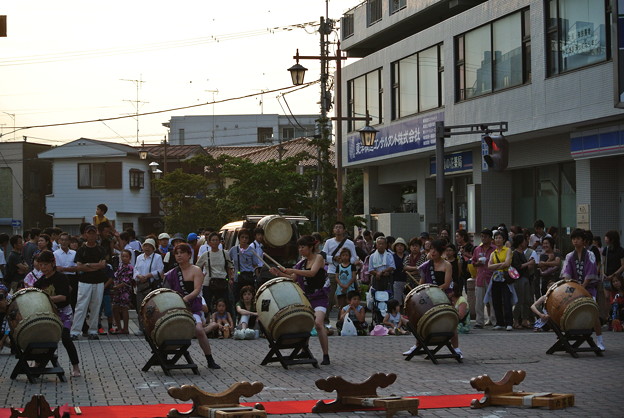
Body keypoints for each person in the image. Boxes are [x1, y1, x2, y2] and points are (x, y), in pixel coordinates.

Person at [270, 235, 331, 365]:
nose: (300, 249)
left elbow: (312, 273)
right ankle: (304, 349)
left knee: (318, 324)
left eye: (303, 247)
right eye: (299, 247)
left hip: (320, 297)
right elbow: (293, 278)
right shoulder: (301, 263)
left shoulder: (319, 258)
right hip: (307, 297)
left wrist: (293, 270)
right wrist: (279, 273)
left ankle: (326, 355)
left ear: (310, 247)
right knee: (304, 324)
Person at [163, 243, 221, 369]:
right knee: (165, 329)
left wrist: (186, 298)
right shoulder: (171, 273)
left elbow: (197, 290)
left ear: (189, 255)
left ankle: (209, 359)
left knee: (199, 330)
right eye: (177, 253)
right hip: (176, 309)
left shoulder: (196, 270)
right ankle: (164, 357)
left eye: (182, 253)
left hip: (192, 308)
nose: (179, 256)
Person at [31, 251, 81, 377]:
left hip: (64, 314)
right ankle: (38, 363)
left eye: (45, 264)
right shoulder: (40, 281)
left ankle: (76, 366)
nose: (43, 268)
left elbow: (63, 297)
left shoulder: (61, 278)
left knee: (65, 338)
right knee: (42, 339)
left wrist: (45, 298)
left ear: (53, 263)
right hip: (49, 314)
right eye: (40, 265)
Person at [562, 228, 605, 350]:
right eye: (573, 239)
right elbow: (566, 273)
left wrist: (583, 286)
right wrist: (572, 285)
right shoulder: (569, 256)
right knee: (568, 310)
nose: (575, 241)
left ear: (583, 241)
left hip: (588, 288)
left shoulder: (590, 254)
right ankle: (570, 338)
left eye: (578, 239)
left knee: (594, 313)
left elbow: (591, 272)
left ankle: (600, 340)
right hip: (574, 288)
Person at [70, 225, 108, 340]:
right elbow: (79, 267)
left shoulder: (101, 249)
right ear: (85, 234)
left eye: (93, 233)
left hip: (98, 281)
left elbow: (103, 265)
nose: (91, 235)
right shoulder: (81, 250)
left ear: (97, 234)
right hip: (84, 282)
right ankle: (75, 332)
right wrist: (94, 266)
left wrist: (88, 265)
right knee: (81, 306)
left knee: (96, 307)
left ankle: (93, 331)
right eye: (89, 233)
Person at [322, 221, 359, 321]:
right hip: (333, 271)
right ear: (333, 230)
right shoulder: (329, 242)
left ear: (344, 230)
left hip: (347, 273)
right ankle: (325, 318)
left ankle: (347, 318)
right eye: (336, 227)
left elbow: (354, 258)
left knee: (347, 297)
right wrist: (333, 258)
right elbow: (323, 255)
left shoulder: (349, 243)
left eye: (340, 227)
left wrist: (344, 260)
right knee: (330, 296)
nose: (338, 229)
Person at [132, 238, 164, 336]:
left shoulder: (157, 257)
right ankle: (141, 328)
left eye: (149, 246)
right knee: (140, 307)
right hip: (141, 286)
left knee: (152, 308)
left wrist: (148, 275)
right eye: (145, 246)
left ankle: (152, 328)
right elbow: (135, 269)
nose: (147, 248)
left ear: (153, 248)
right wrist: (138, 276)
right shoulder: (139, 257)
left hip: (151, 285)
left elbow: (160, 270)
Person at [197, 232, 234, 314]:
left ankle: (226, 321)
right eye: (213, 240)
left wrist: (231, 278)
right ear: (209, 242)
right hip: (208, 282)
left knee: (225, 303)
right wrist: (200, 277)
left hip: (222, 282)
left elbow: (230, 266)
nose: (215, 242)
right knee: (208, 303)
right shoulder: (205, 255)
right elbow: (197, 267)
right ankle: (208, 320)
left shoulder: (225, 253)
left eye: (217, 240)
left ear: (220, 241)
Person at [487, 229, 515, 331]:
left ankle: (509, 322)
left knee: (507, 299)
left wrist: (495, 266)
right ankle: (499, 322)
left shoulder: (508, 250)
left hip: (505, 277)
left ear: (503, 239)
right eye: (496, 238)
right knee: (496, 300)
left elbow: (507, 264)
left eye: (500, 238)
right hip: (495, 278)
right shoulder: (493, 253)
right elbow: (489, 266)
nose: (498, 240)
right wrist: (500, 265)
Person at [229, 228, 261, 305]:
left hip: (248, 277)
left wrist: (257, 278)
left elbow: (255, 265)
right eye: (242, 237)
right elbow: (228, 262)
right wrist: (230, 275)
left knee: (249, 298)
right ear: (239, 238)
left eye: (246, 238)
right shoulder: (234, 250)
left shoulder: (252, 250)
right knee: (236, 298)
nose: (244, 240)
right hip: (238, 278)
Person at [511, 234, 535, 329]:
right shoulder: (516, 253)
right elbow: (518, 267)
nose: (526, 242)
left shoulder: (521, 253)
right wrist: (529, 263)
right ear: (520, 243)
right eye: (524, 241)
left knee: (527, 300)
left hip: (525, 278)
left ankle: (525, 319)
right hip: (519, 279)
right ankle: (516, 320)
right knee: (519, 300)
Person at [111, 249, 133, 335]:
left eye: (126, 256)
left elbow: (126, 281)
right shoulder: (119, 266)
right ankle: (119, 327)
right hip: (117, 291)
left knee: (124, 308)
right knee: (115, 308)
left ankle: (126, 328)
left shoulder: (130, 268)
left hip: (125, 291)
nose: (124, 258)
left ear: (130, 258)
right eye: (123, 256)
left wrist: (116, 287)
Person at [54, 233, 78, 309]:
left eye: (66, 240)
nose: (64, 242)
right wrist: (70, 268)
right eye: (62, 240)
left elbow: (76, 268)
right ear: (59, 241)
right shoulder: (55, 253)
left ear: (69, 241)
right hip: (61, 278)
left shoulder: (74, 253)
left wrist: (64, 269)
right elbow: (57, 268)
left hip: (73, 278)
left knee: (74, 300)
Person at [455, 229, 474, 295]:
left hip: (468, 272)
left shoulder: (469, 246)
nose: (456, 238)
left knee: (468, 291)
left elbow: (473, 257)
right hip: (460, 272)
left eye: (457, 236)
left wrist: (465, 253)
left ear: (463, 237)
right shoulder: (458, 247)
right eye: (456, 236)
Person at [391, 237, 408, 306]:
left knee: (406, 301)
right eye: (398, 245)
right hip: (396, 281)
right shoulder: (392, 257)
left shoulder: (407, 256)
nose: (400, 247)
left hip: (407, 281)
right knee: (397, 301)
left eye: (401, 245)